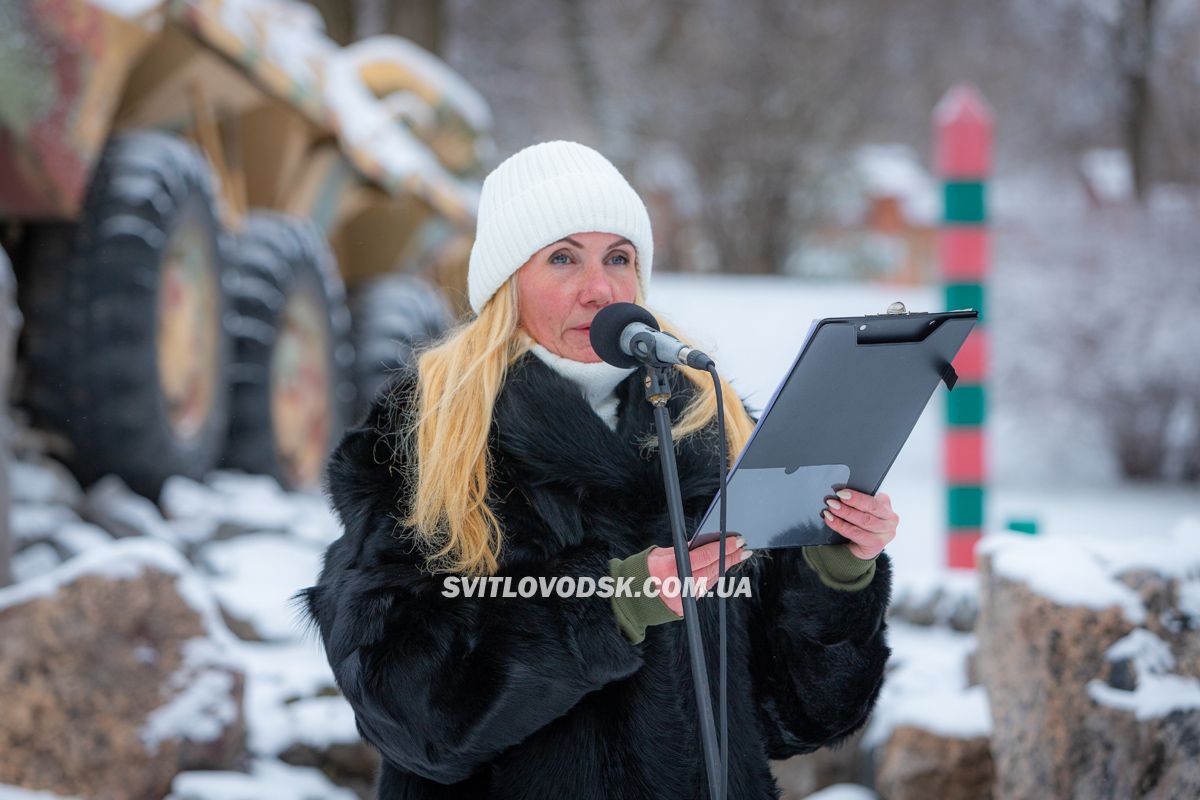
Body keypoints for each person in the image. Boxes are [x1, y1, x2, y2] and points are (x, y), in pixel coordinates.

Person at [298, 140, 899, 799]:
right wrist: (611, 605)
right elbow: (417, 722)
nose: (600, 289)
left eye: (620, 257)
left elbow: (798, 718)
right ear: (505, 281)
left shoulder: (716, 427)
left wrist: (837, 570)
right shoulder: (422, 436)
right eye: (563, 258)